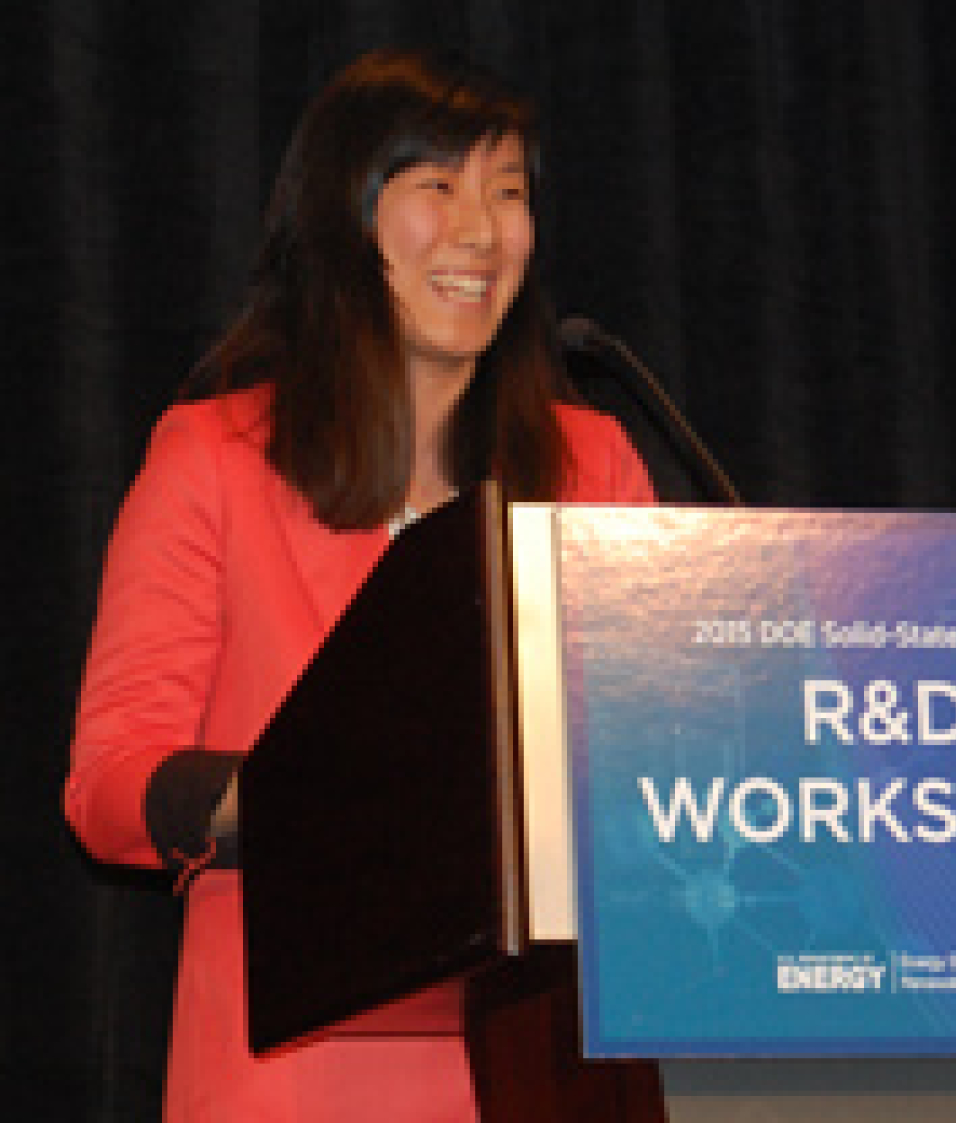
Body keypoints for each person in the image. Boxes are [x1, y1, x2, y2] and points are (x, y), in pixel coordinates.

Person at [64, 48, 658, 1122]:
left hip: (556, 1069)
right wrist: (333, 799)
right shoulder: (216, 457)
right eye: (438, 186)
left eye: (510, 191)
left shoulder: (593, 464)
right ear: (344, 215)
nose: (481, 229)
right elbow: (110, 785)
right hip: (299, 1071)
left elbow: (660, 745)